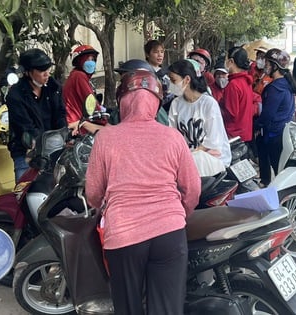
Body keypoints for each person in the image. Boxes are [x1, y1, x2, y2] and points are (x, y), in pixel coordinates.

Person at [85, 69, 201, 315]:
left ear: (122, 101)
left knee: (128, 307)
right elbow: (192, 189)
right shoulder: (173, 138)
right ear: (156, 102)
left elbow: (93, 193)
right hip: (169, 232)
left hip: (123, 236)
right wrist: (178, 214)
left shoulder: (106, 138)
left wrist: (103, 205)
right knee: (167, 309)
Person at [6, 48, 67, 181]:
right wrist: (35, 143)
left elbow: (60, 115)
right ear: (27, 72)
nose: (46, 74)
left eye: (48, 69)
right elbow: (25, 126)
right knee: (24, 194)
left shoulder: (53, 88)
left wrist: (65, 135)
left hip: (54, 149)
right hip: (26, 153)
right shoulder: (16, 95)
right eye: (41, 70)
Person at [167, 59, 231, 176]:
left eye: (173, 80)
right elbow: (173, 134)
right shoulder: (176, 103)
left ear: (187, 79)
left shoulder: (208, 103)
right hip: (189, 159)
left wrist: (191, 155)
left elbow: (213, 140)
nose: (171, 85)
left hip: (212, 159)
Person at [254, 49, 296, 187]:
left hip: (274, 134)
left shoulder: (275, 88)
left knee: (279, 172)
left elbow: (268, 114)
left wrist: (256, 125)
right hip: (283, 132)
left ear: (275, 66)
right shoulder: (286, 84)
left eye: (267, 62)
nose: (264, 64)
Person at [63, 44, 105, 135]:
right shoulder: (79, 76)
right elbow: (90, 101)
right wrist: (103, 119)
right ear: (80, 61)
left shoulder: (77, 75)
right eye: (87, 59)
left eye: (93, 60)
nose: (91, 63)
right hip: (77, 124)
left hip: (78, 120)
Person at [114, 58, 169, 125]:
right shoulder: (120, 108)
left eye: (127, 81)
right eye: (123, 82)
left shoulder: (157, 112)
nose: (122, 86)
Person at [221, 46, 255, 144]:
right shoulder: (246, 81)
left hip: (234, 136)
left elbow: (230, 113)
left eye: (226, 59)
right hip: (245, 133)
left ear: (231, 61)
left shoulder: (233, 85)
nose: (225, 62)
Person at [144, 39, 174, 112]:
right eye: (156, 52)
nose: (160, 55)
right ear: (147, 54)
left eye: (162, 52)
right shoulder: (144, 72)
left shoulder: (167, 72)